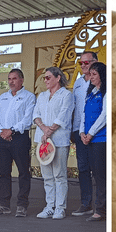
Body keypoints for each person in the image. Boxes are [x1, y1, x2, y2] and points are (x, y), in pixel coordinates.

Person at [0, 69, 36, 218]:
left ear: (21, 80)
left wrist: (12, 130)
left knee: (23, 172)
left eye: (14, 78)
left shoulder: (29, 97)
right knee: (3, 173)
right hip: (3, 138)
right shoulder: (3, 97)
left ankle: (22, 205)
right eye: (9, 78)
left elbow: (28, 119)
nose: (11, 81)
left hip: (19, 138)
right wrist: (2, 131)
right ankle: (3, 204)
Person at [32, 67, 75, 219]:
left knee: (59, 175)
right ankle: (49, 206)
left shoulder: (66, 95)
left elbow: (63, 115)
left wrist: (49, 131)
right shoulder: (42, 96)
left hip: (59, 140)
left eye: (49, 77)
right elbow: (36, 114)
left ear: (58, 78)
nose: (45, 80)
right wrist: (44, 129)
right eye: (44, 78)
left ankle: (60, 207)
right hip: (43, 140)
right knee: (47, 176)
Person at [71, 51, 98, 217]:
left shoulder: (102, 80)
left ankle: (102, 205)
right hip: (79, 132)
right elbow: (75, 107)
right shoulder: (78, 83)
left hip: (97, 132)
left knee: (99, 169)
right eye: (81, 63)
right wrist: (74, 130)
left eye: (86, 63)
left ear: (95, 62)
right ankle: (86, 203)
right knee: (82, 168)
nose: (83, 66)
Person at [80, 62, 107, 222]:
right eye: (89, 74)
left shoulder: (106, 92)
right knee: (95, 174)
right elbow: (84, 114)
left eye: (94, 74)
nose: (90, 77)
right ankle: (100, 207)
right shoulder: (91, 93)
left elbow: (104, 115)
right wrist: (83, 132)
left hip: (100, 138)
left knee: (101, 176)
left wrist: (90, 133)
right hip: (89, 139)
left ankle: (101, 210)